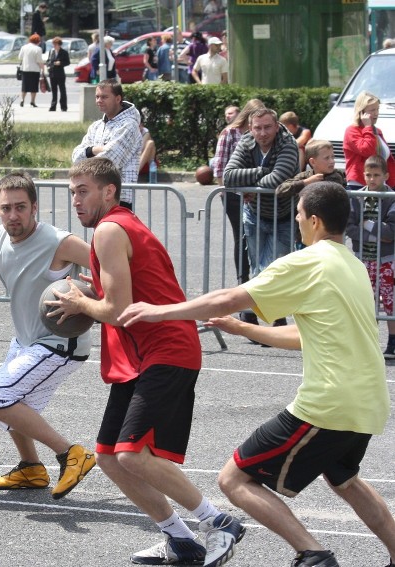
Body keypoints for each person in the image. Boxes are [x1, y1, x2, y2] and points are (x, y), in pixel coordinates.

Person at [118, 181, 395, 567]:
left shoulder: (308, 262)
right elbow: (306, 334)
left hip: (329, 403)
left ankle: (313, 555)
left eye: (298, 215)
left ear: (314, 221)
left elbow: (228, 297)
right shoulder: (351, 266)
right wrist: (247, 330)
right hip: (368, 401)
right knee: (345, 479)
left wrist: (159, 310)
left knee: (234, 479)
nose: (296, 221)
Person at [48, 157, 245, 567]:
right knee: (107, 455)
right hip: (141, 357)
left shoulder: (109, 230)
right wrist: (93, 291)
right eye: (72, 192)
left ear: (109, 192)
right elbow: (127, 291)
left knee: (131, 454)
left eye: (83, 191)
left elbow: (118, 308)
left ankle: (218, 523)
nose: (76, 200)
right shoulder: (118, 228)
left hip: (166, 350)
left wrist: (82, 301)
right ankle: (180, 539)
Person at [0, 172, 96, 498]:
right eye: (6, 208)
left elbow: (114, 263)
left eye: (21, 207)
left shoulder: (59, 241)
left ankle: (71, 454)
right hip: (27, 341)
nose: (13, 215)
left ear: (35, 208)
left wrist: (92, 297)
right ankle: (30, 468)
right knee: (13, 404)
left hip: (61, 344)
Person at [223, 108, 299, 280]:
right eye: (258, 128)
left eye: (268, 127)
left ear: (277, 126)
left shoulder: (288, 143)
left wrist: (248, 186)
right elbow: (228, 176)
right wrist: (262, 171)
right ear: (250, 128)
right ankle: (263, 307)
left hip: (284, 217)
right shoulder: (246, 141)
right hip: (254, 215)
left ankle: (271, 306)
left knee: (270, 273)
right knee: (258, 269)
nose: (263, 133)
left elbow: (277, 180)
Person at [213, 100, 265, 323]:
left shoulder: (261, 136)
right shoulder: (230, 133)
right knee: (241, 238)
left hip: (257, 195)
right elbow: (220, 168)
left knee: (255, 240)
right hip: (234, 196)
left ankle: (256, 289)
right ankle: (242, 281)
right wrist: (232, 191)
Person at [346, 155, 395, 359]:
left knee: (390, 301)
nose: (372, 179)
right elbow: (349, 228)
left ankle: (392, 341)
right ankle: (369, 342)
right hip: (362, 259)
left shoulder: (391, 197)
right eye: (368, 175)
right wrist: (376, 232)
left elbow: (391, 233)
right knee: (366, 302)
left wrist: (366, 225)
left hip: (386, 261)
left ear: (386, 175)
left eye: (376, 175)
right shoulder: (355, 197)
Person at [71, 80, 141, 208]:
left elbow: (108, 162)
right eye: (97, 97)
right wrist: (94, 149)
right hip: (97, 196)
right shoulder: (96, 126)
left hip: (119, 198)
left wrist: (88, 157)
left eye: (104, 97)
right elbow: (76, 158)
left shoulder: (129, 125)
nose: (99, 100)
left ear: (118, 98)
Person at [343, 91, 395, 190]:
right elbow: (367, 151)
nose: (376, 113)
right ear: (361, 112)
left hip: (380, 185)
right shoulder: (352, 130)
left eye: (377, 109)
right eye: (372, 110)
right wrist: (367, 127)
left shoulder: (376, 130)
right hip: (359, 185)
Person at [275, 140, 347, 199]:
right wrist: (306, 182)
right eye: (327, 158)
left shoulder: (336, 175)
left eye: (332, 157)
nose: (332, 161)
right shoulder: (305, 176)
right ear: (313, 162)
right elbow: (280, 191)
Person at [18, 34, 46, 108]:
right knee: (33, 87)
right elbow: (39, 60)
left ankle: (22, 100)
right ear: (38, 41)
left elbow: (20, 57)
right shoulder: (38, 49)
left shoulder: (24, 47)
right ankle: (32, 101)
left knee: (24, 86)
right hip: (35, 70)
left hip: (25, 69)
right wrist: (43, 69)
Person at [46, 37, 70, 112]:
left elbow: (68, 62)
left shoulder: (64, 52)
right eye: (54, 44)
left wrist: (60, 63)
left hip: (60, 74)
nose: (54, 46)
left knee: (62, 90)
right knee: (54, 91)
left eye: (56, 44)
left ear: (59, 45)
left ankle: (63, 106)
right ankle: (53, 106)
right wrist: (49, 64)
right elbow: (48, 61)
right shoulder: (51, 51)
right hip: (52, 73)